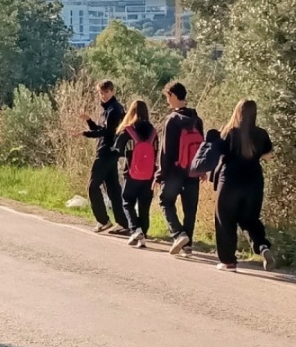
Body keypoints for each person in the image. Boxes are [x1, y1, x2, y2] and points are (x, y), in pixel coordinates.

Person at [214, 100, 276, 272]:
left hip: (230, 181)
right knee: (249, 219)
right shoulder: (261, 134)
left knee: (225, 220)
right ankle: (262, 246)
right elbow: (269, 155)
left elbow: (216, 153)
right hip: (254, 181)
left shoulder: (228, 132)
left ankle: (228, 261)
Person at [156, 82, 205, 256]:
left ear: (173, 96)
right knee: (190, 209)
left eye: (168, 97)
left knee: (165, 201)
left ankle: (178, 234)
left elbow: (166, 151)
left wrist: (160, 175)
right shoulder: (197, 120)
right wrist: (202, 170)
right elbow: (202, 148)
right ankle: (187, 245)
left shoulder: (172, 120)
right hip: (192, 171)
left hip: (175, 171)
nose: (168, 102)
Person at [79, 80, 130, 235]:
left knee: (93, 186)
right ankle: (123, 223)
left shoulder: (115, 109)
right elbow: (100, 130)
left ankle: (103, 220)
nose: (103, 95)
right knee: (113, 189)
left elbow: (108, 132)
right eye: (101, 92)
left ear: (112, 91)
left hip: (107, 152)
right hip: (108, 151)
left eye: (106, 92)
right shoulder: (107, 109)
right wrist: (89, 121)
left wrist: (85, 133)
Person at [114, 100, 158, 249]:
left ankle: (135, 229)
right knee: (144, 207)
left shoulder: (129, 130)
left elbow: (117, 148)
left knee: (127, 201)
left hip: (132, 173)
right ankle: (143, 237)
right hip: (149, 174)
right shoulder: (153, 131)